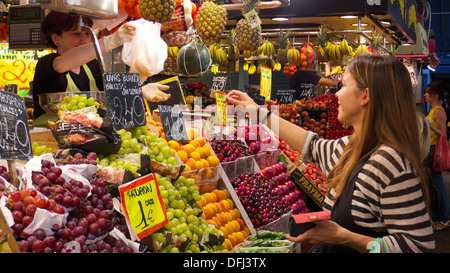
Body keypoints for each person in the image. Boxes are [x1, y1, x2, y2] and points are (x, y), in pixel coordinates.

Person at [225, 54, 435, 253]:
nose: (336, 93)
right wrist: (255, 110)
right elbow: (311, 145)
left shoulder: (388, 162)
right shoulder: (353, 146)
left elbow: (417, 245)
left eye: (343, 85)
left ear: (365, 95)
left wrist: (344, 237)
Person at [32, 11, 169, 120]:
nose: (84, 39)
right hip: (49, 139)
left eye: (88, 34)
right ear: (56, 38)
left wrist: (139, 90)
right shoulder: (47, 64)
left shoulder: (91, 65)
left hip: (85, 139)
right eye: (76, 34)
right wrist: (110, 42)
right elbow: (62, 64)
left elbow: (111, 100)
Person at [424, 82, 450, 231]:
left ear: (436, 95)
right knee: (433, 184)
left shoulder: (438, 111)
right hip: (429, 149)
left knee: (438, 184)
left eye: (428, 92)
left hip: (434, 150)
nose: (425, 94)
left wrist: (429, 126)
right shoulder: (432, 109)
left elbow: (443, 134)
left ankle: (444, 217)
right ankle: (437, 215)